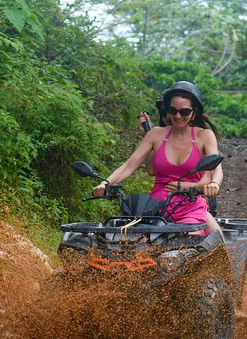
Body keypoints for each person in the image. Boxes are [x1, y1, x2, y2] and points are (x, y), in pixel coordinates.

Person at [93, 81, 223, 234]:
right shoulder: (155, 134)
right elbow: (129, 166)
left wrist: (214, 183)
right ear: (166, 111)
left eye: (184, 112)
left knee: (194, 241)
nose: (177, 116)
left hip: (190, 205)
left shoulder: (204, 136)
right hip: (155, 208)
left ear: (194, 112)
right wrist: (105, 183)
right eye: (172, 110)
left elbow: (216, 168)